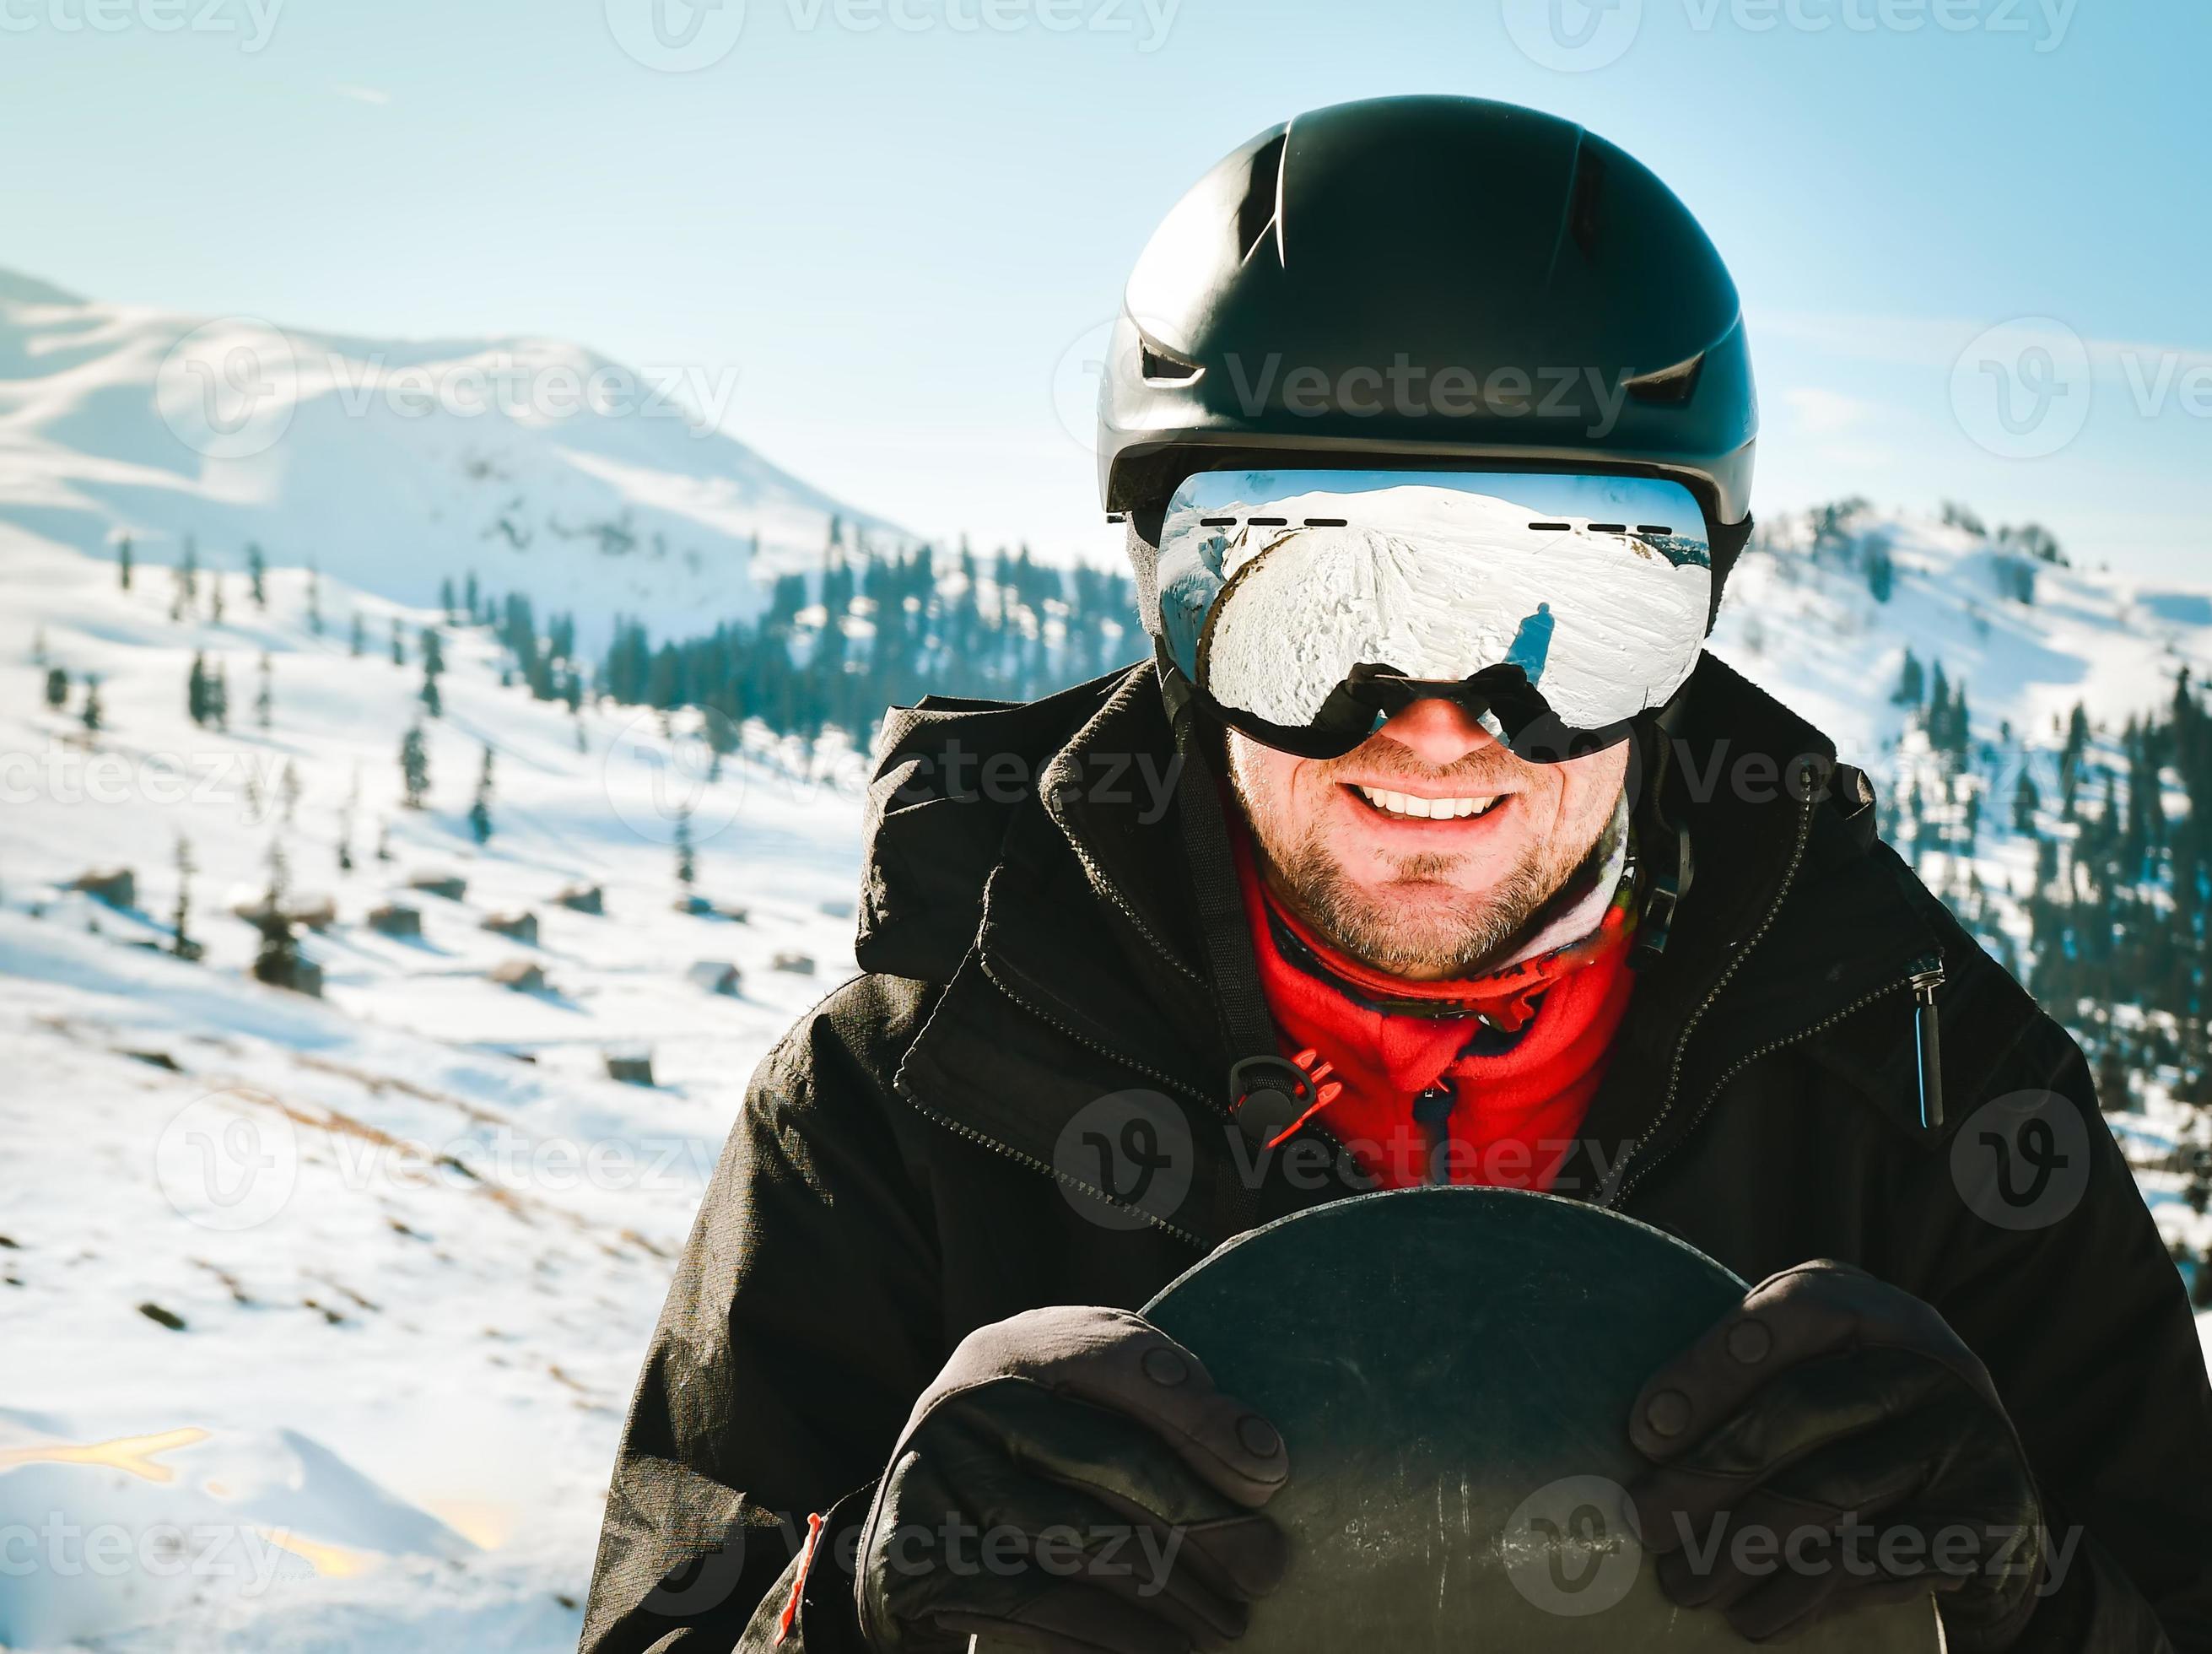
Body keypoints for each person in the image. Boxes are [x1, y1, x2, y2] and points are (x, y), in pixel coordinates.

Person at [579, 96, 2212, 1653]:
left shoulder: (1929, 1086)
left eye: (1570, 616)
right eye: (1311, 605)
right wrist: (852, 1598)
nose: (1439, 730)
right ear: (1164, 590)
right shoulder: (904, 1097)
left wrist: (2024, 1597)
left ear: (1705, 596)